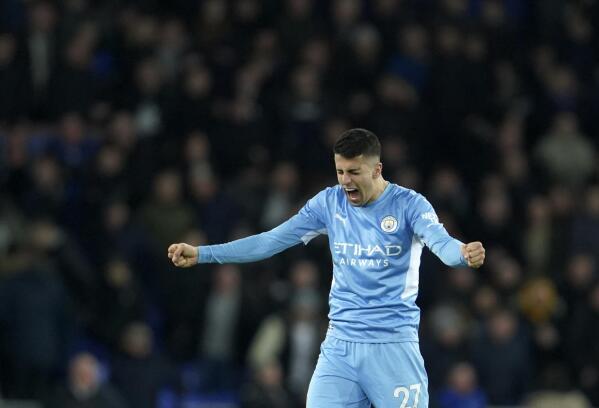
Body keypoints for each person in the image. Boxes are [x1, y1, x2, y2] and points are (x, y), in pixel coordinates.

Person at [168, 128, 485, 407]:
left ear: (377, 169)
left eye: (354, 172)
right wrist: (203, 253)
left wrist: (462, 253)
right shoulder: (328, 203)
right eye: (340, 171)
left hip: (392, 347)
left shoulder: (409, 205)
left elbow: (440, 243)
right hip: (340, 348)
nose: (345, 181)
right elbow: (270, 241)